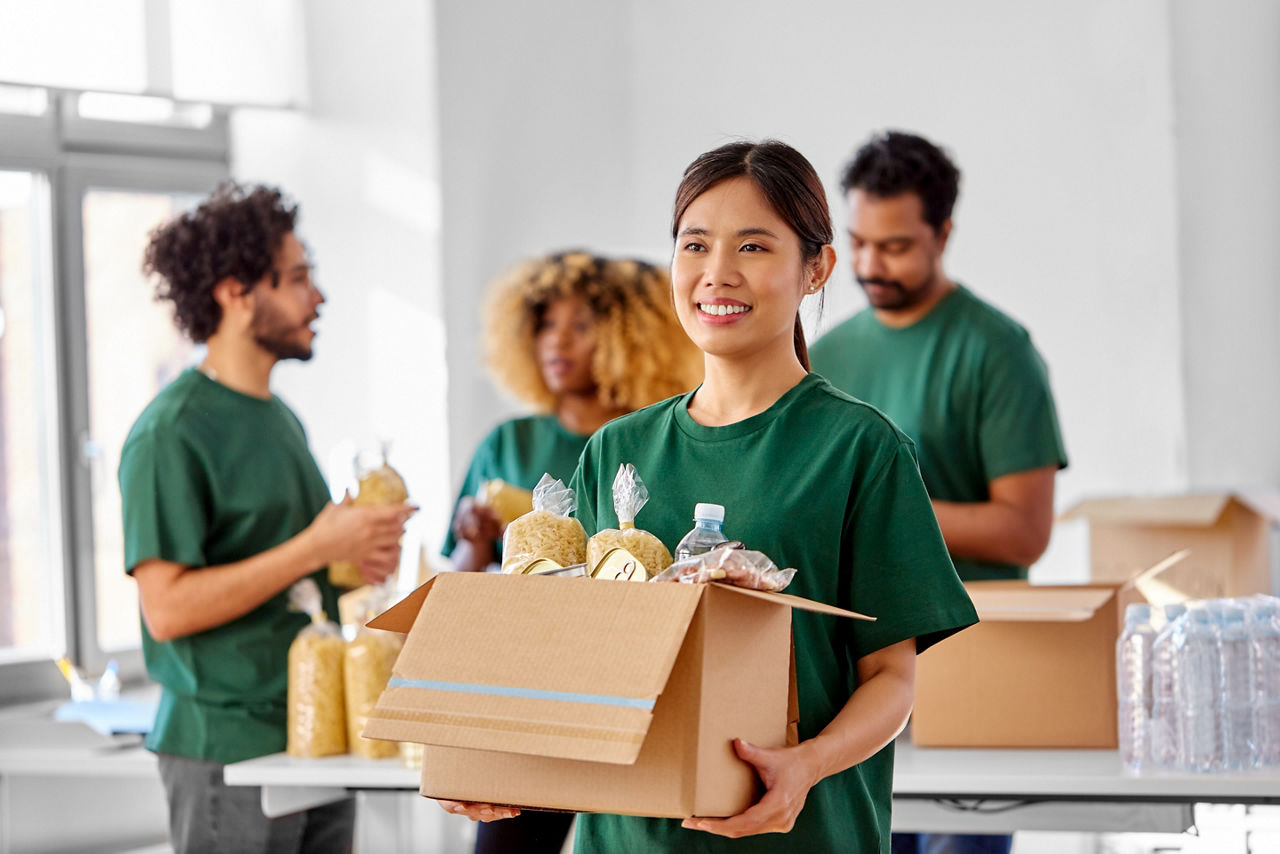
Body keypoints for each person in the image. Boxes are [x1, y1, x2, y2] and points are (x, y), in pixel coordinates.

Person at [439, 140, 978, 853]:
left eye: (753, 246)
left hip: (802, 836)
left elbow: (890, 680)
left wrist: (805, 766)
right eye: (695, 245)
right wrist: (502, 761)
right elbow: (585, 666)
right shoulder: (616, 451)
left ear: (815, 268)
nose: (716, 274)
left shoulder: (861, 449)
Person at [119, 183, 415, 854]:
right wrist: (316, 545)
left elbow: (302, 573)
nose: (319, 297)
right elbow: (166, 610)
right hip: (226, 749)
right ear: (235, 292)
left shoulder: (278, 420)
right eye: (298, 279)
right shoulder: (171, 433)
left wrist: (359, 554)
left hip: (312, 733)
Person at [810, 131, 1069, 854]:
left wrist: (884, 514)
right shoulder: (825, 354)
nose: (866, 265)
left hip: (972, 672)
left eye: (894, 246)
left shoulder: (996, 350)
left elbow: (1023, 531)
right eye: (857, 242)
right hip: (851, 671)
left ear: (943, 233)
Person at [443, 250, 701, 852]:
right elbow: (464, 585)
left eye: (580, 327)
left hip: (634, 689)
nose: (556, 342)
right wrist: (474, 540)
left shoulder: (649, 441)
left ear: (624, 337)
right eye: (545, 325)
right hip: (525, 692)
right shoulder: (508, 443)